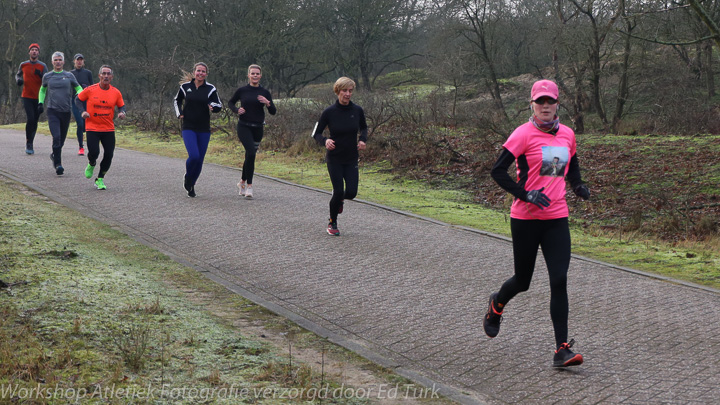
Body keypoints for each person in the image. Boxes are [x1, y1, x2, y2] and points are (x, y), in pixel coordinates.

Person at [485, 79, 591, 368]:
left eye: (550, 101)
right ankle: (497, 305)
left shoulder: (567, 134)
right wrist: (525, 193)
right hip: (526, 219)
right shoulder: (523, 134)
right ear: (531, 104)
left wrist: (578, 185)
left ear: (557, 104)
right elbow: (497, 171)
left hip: (557, 217)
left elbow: (571, 165)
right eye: (540, 102)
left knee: (559, 279)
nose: (545, 106)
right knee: (523, 281)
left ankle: (562, 349)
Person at [312, 77, 368, 236]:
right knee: (337, 191)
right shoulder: (329, 112)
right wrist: (325, 140)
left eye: (350, 91)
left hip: (351, 157)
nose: (348, 94)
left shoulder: (357, 110)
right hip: (334, 158)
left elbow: (364, 128)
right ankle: (332, 222)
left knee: (351, 192)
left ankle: (340, 200)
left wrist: (363, 140)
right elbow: (316, 133)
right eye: (344, 91)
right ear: (338, 91)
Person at [173, 62, 222, 197]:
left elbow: (219, 105)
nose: (200, 73)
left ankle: (191, 185)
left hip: (204, 128)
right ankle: (188, 177)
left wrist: (213, 106)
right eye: (198, 71)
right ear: (194, 72)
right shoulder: (185, 87)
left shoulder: (210, 88)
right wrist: (179, 113)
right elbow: (177, 100)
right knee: (194, 155)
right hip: (188, 126)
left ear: (206, 74)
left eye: (203, 71)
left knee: (200, 159)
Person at [228, 64, 276, 199]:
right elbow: (230, 102)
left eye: (257, 74)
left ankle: (241, 182)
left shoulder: (265, 92)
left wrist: (268, 103)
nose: (255, 76)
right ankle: (249, 186)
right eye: (252, 74)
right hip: (244, 126)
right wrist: (237, 110)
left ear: (260, 76)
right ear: (248, 75)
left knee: (249, 156)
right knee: (251, 152)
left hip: (258, 127)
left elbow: (273, 111)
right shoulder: (242, 90)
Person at [76, 65, 126, 190]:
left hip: (108, 128)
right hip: (92, 127)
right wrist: (82, 112)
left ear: (112, 77)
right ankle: (92, 163)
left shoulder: (116, 92)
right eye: (103, 73)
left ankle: (100, 179)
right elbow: (78, 99)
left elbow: (121, 106)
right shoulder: (90, 90)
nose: (106, 76)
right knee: (94, 152)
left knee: (109, 154)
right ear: (99, 76)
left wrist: (122, 113)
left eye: (108, 74)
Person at [38, 51, 83, 175]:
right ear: (52, 62)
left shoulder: (69, 76)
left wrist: (80, 95)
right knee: (56, 137)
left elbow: (78, 87)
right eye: (55, 60)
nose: (58, 62)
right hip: (52, 111)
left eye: (60, 60)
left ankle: (54, 155)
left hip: (66, 111)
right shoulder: (47, 76)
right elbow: (42, 89)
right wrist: (40, 103)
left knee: (61, 140)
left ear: (63, 62)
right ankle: (58, 164)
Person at [15, 43, 48, 155]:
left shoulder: (42, 66)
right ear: (29, 52)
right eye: (32, 50)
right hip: (27, 96)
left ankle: (31, 141)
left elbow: (47, 80)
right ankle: (29, 143)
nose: (34, 52)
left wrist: (42, 101)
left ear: (38, 53)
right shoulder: (23, 64)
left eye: (36, 50)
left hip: (38, 97)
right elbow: (18, 75)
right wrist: (18, 80)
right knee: (30, 118)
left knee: (35, 120)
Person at [70, 54, 94, 156]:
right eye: (77, 60)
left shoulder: (88, 73)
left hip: (86, 101)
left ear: (83, 61)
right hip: (75, 101)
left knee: (86, 125)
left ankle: (90, 145)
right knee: (80, 124)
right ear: (74, 61)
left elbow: (92, 87)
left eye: (81, 60)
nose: (79, 62)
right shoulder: (70, 74)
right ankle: (81, 146)